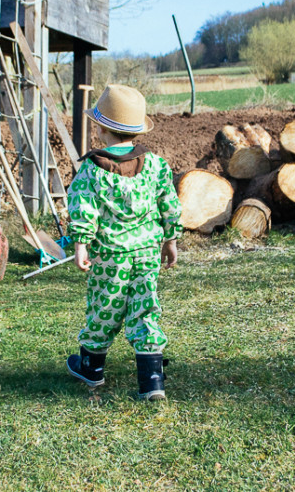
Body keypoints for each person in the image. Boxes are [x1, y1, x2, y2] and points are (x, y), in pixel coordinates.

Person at [65, 84, 182, 400]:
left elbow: (82, 207)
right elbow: (169, 203)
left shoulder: (92, 169)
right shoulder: (155, 164)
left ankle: (91, 368)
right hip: (146, 253)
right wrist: (170, 240)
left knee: (106, 307)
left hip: (111, 257)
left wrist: (81, 244)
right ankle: (152, 381)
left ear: (102, 128)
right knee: (145, 309)